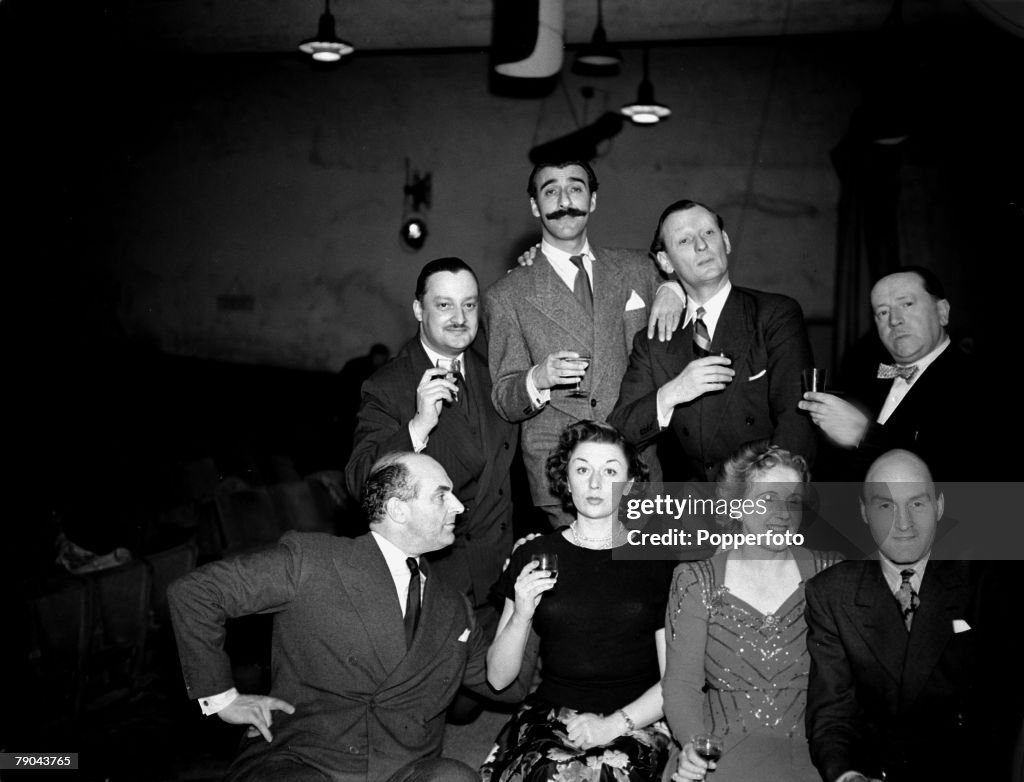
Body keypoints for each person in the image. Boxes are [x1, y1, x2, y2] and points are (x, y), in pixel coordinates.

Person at [168, 452, 531, 782]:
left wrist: (520, 606)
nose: (459, 506)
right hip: (304, 759)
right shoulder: (313, 561)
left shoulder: (454, 606)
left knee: (456, 778)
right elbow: (197, 593)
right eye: (441, 495)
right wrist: (222, 699)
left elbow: (505, 686)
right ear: (398, 510)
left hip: (402, 768)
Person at [484, 159, 685, 527]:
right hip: (562, 476)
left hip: (637, 465)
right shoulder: (506, 295)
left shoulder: (639, 269)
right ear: (535, 206)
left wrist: (675, 288)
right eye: (551, 191)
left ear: (592, 200)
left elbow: (696, 283)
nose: (565, 201)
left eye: (575, 188)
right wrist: (537, 378)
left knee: (644, 563)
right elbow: (504, 398)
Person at [804, 449, 1021, 782]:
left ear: (940, 506)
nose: (903, 524)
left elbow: (1003, 712)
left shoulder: (987, 582)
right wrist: (847, 775)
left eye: (917, 503)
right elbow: (832, 716)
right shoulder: (832, 593)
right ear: (864, 512)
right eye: (885, 506)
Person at [482, 421, 675, 782]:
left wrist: (614, 725)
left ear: (629, 484)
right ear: (567, 481)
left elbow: (675, 681)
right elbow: (498, 678)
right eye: (583, 470)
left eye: (610, 471)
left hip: (637, 715)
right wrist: (521, 614)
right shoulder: (535, 555)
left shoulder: (658, 561)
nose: (595, 483)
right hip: (552, 714)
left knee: (601, 773)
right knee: (548, 770)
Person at [345, 258, 517, 636]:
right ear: (419, 310)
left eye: (469, 305)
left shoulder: (496, 368)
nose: (459, 318)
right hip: (436, 581)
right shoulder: (388, 384)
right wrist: (418, 425)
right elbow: (360, 482)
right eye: (444, 305)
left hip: (498, 573)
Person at [663, 442, 839, 782]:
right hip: (719, 754)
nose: (784, 513)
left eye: (793, 501)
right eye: (768, 499)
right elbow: (681, 684)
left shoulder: (830, 572)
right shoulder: (695, 580)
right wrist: (693, 746)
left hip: (815, 755)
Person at [608, 199, 816, 483]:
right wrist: (674, 391)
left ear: (725, 241)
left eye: (708, 233)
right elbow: (620, 430)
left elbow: (797, 422)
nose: (701, 245)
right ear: (665, 261)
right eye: (684, 240)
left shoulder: (774, 315)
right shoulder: (652, 342)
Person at [799, 267, 985, 481]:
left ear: (942, 312)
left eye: (907, 304)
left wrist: (863, 434)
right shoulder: (862, 376)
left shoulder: (976, 380)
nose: (894, 320)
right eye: (883, 312)